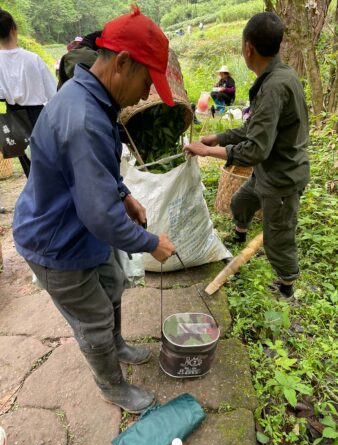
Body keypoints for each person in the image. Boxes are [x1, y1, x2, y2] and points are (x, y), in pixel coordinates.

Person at [13, 5, 176, 414]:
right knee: (94, 321)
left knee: (113, 284)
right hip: (55, 242)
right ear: (122, 62)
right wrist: (151, 243)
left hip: (78, 225)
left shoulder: (92, 94)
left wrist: (124, 195)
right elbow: (101, 217)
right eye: (145, 81)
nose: (144, 94)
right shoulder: (83, 117)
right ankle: (111, 385)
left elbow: (97, 174)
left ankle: (117, 346)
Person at [184, 12, 310, 302]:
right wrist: (218, 137)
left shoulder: (274, 86)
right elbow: (255, 128)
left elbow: (256, 150)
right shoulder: (278, 76)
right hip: (268, 172)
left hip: (282, 177)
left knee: (278, 236)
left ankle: (286, 284)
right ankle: (240, 232)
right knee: (241, 202)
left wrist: (208, 151)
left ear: (248, 47)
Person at [0, 8, 56, 177]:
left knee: (29, 170)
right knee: (49, 164)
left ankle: (37, 200)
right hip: (38, 115)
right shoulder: (33, 59)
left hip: (13, 117)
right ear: (13, 29)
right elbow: (53, 94)